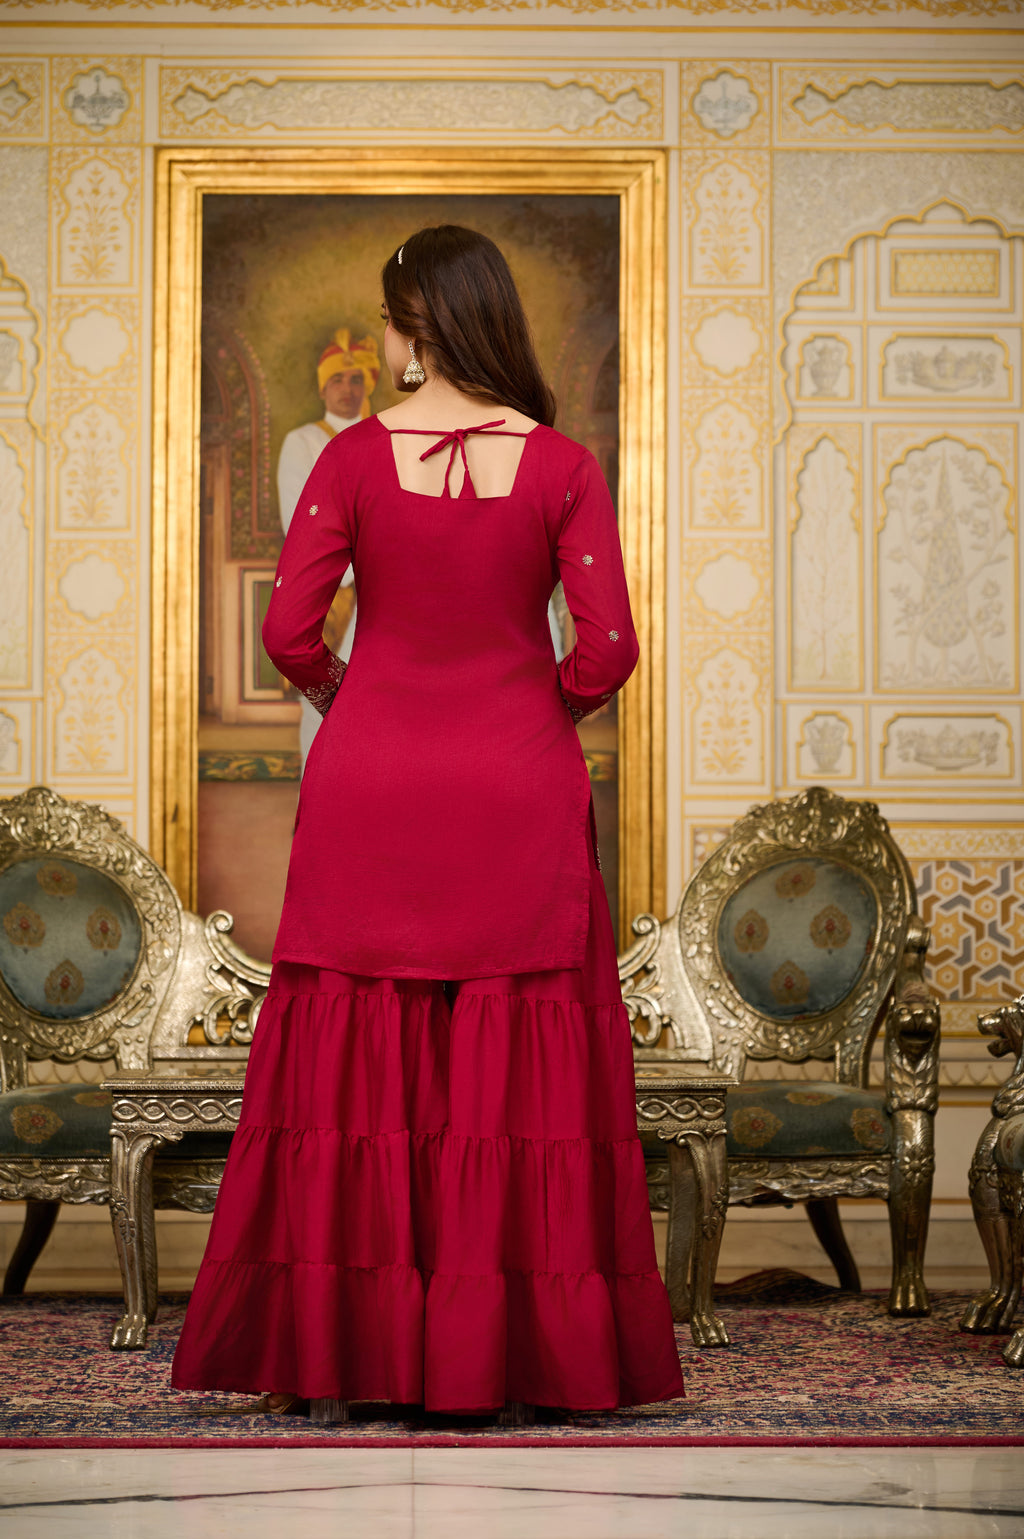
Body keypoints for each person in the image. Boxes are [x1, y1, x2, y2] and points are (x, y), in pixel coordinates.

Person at [173, 225, 684, 1420]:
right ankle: (517, 1358)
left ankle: (352, 1354)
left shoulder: (348, 459)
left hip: (374, 782)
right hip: (516, 780)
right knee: (514, 1050)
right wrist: (530, 712)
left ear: (412, 330)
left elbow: (289, 634)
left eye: (392, 320)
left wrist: (359, 707)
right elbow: (609, 647)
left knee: (364, 1047)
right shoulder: (561, 464)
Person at [276, 329, 381, 763]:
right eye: (338, 380)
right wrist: (358, 570)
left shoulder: (383, 437)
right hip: (330, 588)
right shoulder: (301, 442)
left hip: (383, 590)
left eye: (356, 380)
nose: (347, 389)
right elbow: (299, 520)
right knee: (320, 703)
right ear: (323, 386)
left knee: (377, 702)